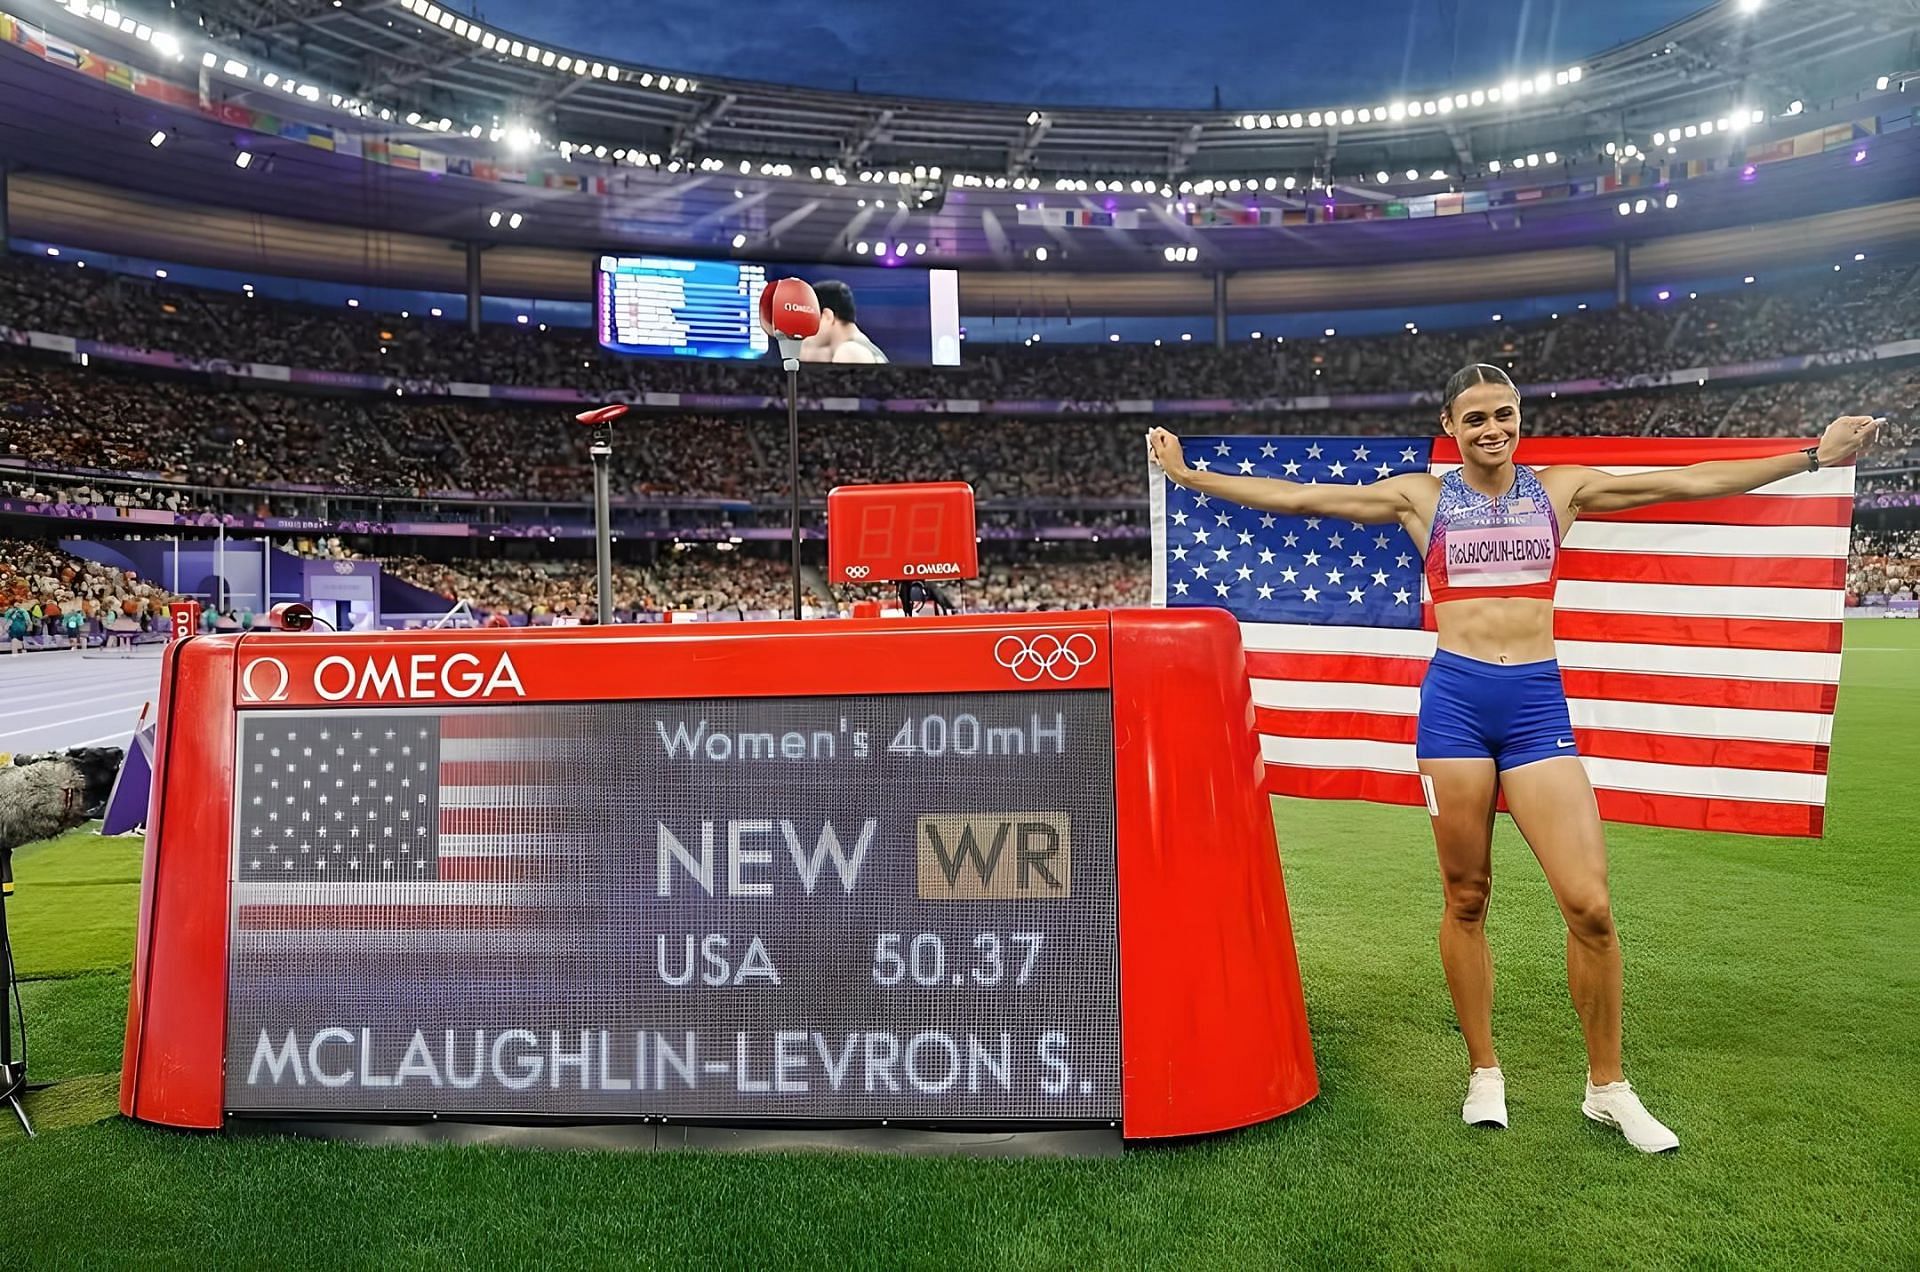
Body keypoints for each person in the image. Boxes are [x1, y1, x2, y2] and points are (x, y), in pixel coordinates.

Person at [1148, 364, 1883, 1154]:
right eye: (1475, 419)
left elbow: (1688, 482)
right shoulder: (1418, 498)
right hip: (1456, 706)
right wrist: (1191, 476)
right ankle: (1484, 1072)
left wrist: (1814, 455)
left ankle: (1609, 1089)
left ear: (1520, 417)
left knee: (1590, 905)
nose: (1491, 429)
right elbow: (1298, 499)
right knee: (1467, 897)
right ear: (1451, 426)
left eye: (1503, 414)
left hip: (1537, 708)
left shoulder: (1560, 489)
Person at [799, 280, 889, 365]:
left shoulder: (849, 351)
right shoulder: (861, 348)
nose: (804, 333)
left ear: (827, 316)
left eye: (807, 321)